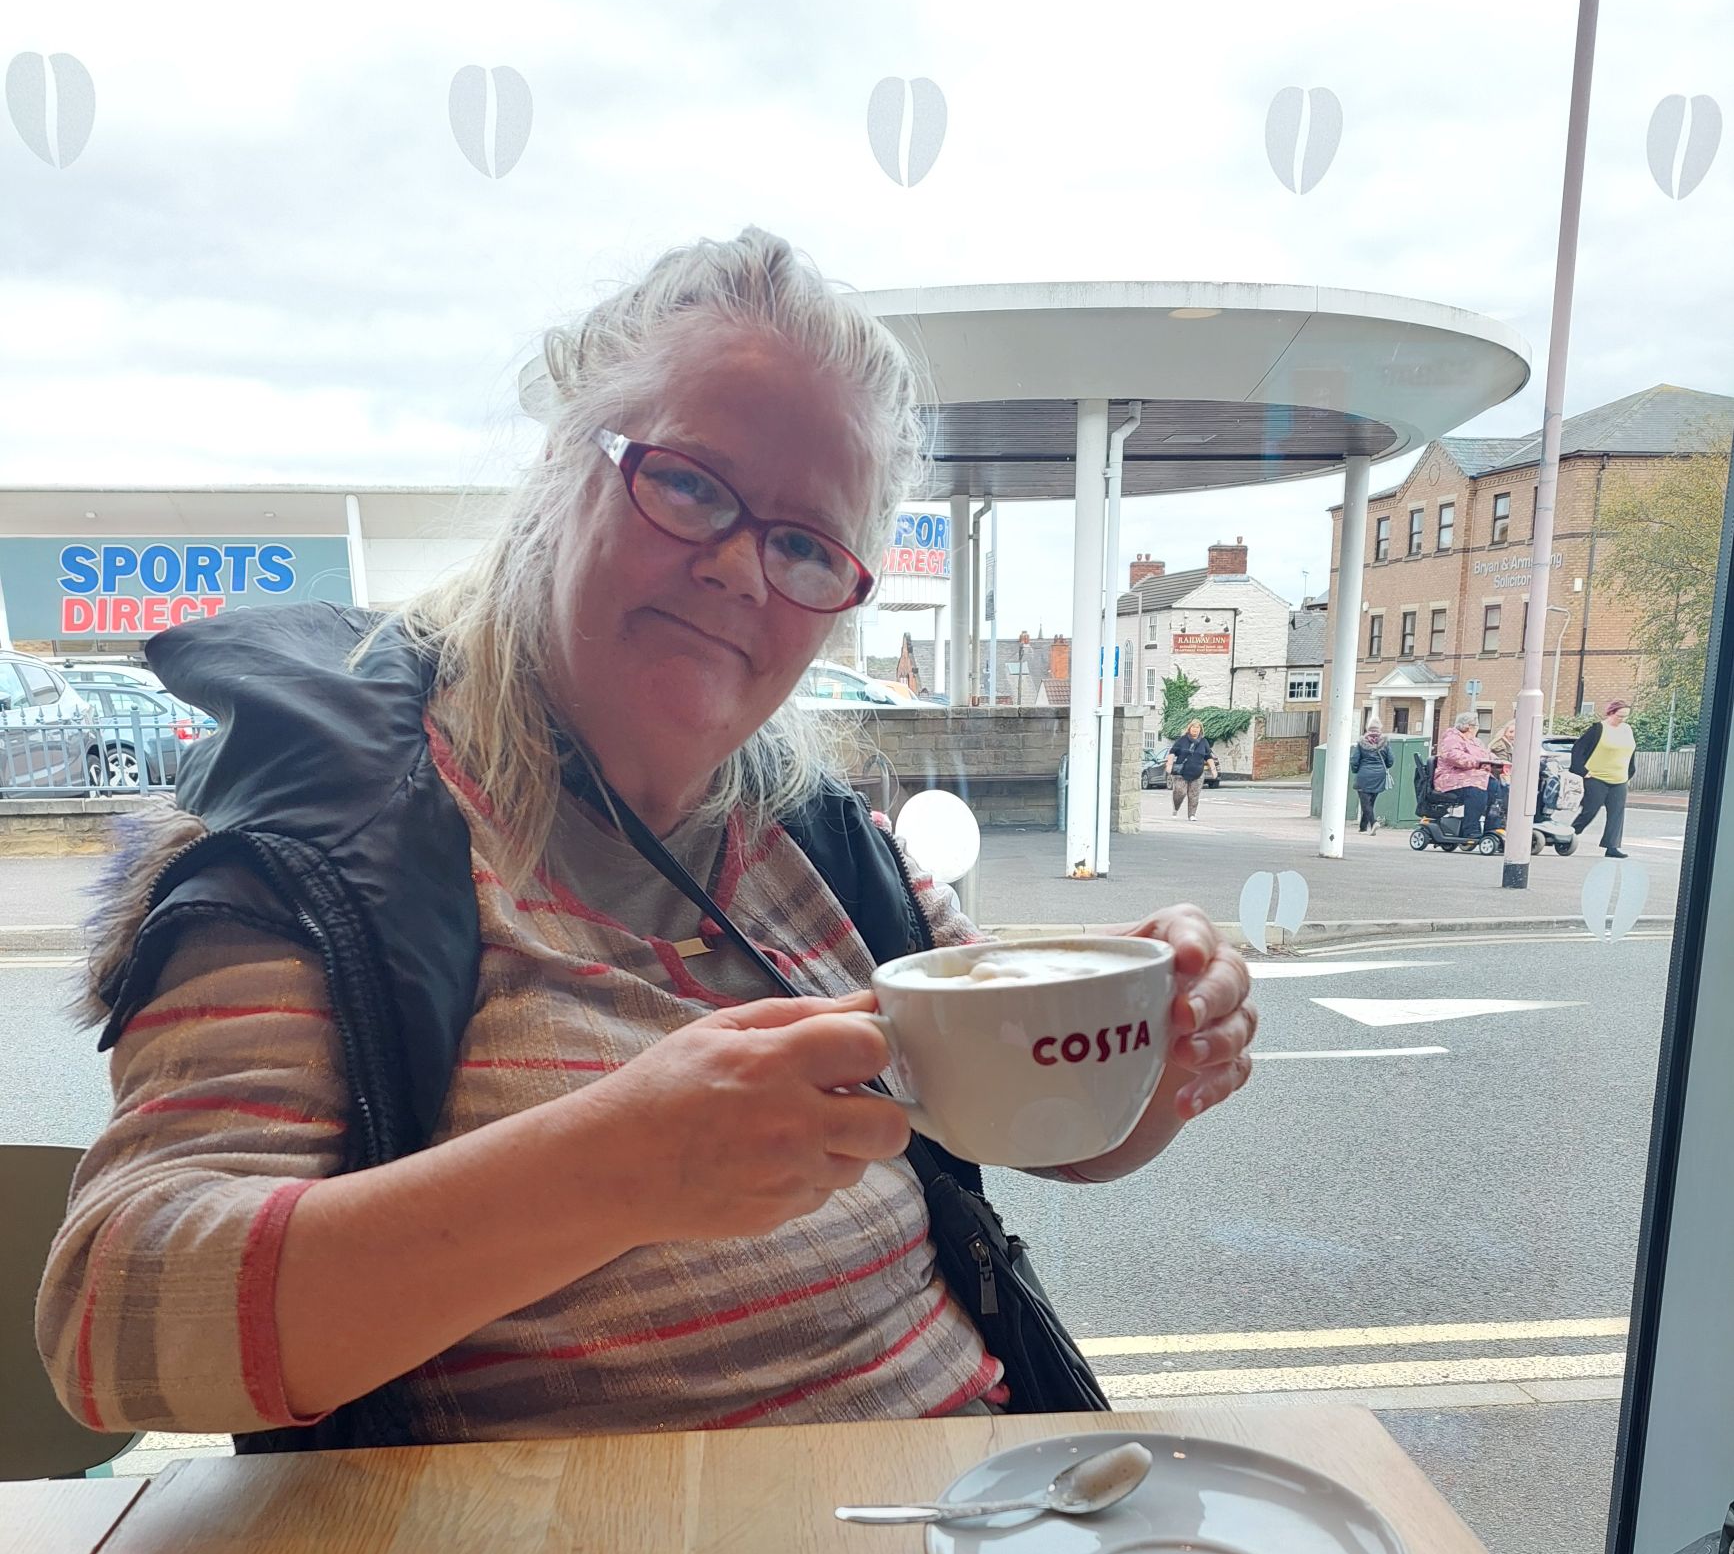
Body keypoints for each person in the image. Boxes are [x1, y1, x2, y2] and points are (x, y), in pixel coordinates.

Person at [37, 228, 1257, 1446]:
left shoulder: (832, 848)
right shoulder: (332, 838)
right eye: (689, 486)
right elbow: (113, 1324)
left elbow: (1032, 1127)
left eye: (805, 545)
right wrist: (616, 1166)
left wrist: (1154, 1058)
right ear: (561, 468)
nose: (741, 568)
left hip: (977, 1513)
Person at [1569, 697, 1637, 857]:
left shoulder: (1627, 729)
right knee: (1590, 810)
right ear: (1611, 713)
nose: (1622, 719)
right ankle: (1569, 835)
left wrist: (1629, 773)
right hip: (1596, 778)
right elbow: (1578, 749)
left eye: (1625, 716)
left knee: (1616, 813)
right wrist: (1582, 771)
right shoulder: (1598, 729)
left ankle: (1612, 847)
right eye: (1619, 716)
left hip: (1619, 779)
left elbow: (1631, 752)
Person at [1433, 711, 1498, 844]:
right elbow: (1454, 756)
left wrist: (1496, 762)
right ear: (1470, 727)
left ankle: (1492, 828)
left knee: (1495, 787)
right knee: (1476, 790)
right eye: (1476, 726)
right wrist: (1479, 762)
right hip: (1450, 777)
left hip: (1471, 777)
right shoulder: (1451, 738)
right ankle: (1471, 829)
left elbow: (1487, 754)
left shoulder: (1476, 742)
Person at [1165, 718, 1218, 817]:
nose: (1195, 729)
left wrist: (1213, 770)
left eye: (1197, 727)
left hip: (1197, 773)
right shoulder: (1182, 740)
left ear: (1200, 729)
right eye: (1193, 727)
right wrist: (1169, 765)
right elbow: (1172, 752)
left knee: (1194, 795)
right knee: (1180, 792)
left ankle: (1192, 815)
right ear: (1189, 728)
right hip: (1181, 773)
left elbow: (1208, 757)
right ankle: (1176, 808)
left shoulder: (1204, 742)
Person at [1349, 724, 1393, 833]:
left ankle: (1373, 823)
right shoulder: (1385, 743)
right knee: (1370, 802)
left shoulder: (1362, 743)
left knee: (1365, 803)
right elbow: (1390, 761)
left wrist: (1356, 770)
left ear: (1368, 730)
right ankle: (1363, 827)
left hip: (1364, 775)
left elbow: (1354, 760)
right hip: (1379, 776)